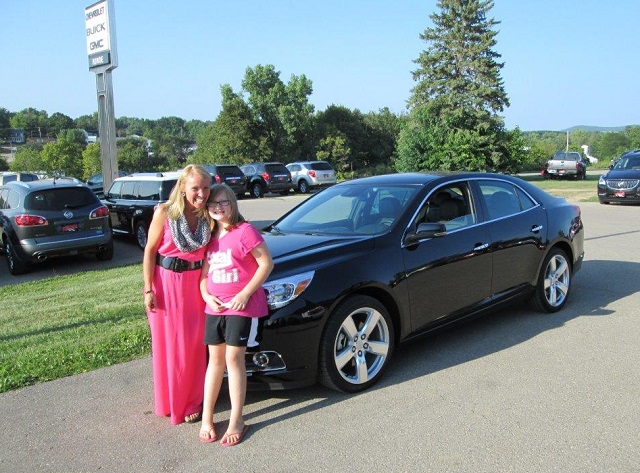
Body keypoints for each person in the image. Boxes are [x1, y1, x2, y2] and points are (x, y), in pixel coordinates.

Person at [198, 184, 274, 446]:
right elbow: (204, 276)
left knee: (234, 358)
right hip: (214, 308)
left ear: (232, 203)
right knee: (214, 360)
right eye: (212, 204)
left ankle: (236, 419)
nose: (217, 208)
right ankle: (208, 417)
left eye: (223, 202)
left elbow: (266, 263)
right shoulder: (210, 236)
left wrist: (244, 294)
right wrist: (207, 296)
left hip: (241, 306)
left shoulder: (245, 231)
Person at [143, 165, 214, 425]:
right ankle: (171, 400)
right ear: (183, 187)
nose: (202, 193)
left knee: (195, 344)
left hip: (196, 284)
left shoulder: (208, 215)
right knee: (170, 345)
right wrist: (148, 289)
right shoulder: (165, 213)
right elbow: (150, 251)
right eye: (196, 188)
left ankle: (192, 400)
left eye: (206, 188)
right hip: (166, 283)